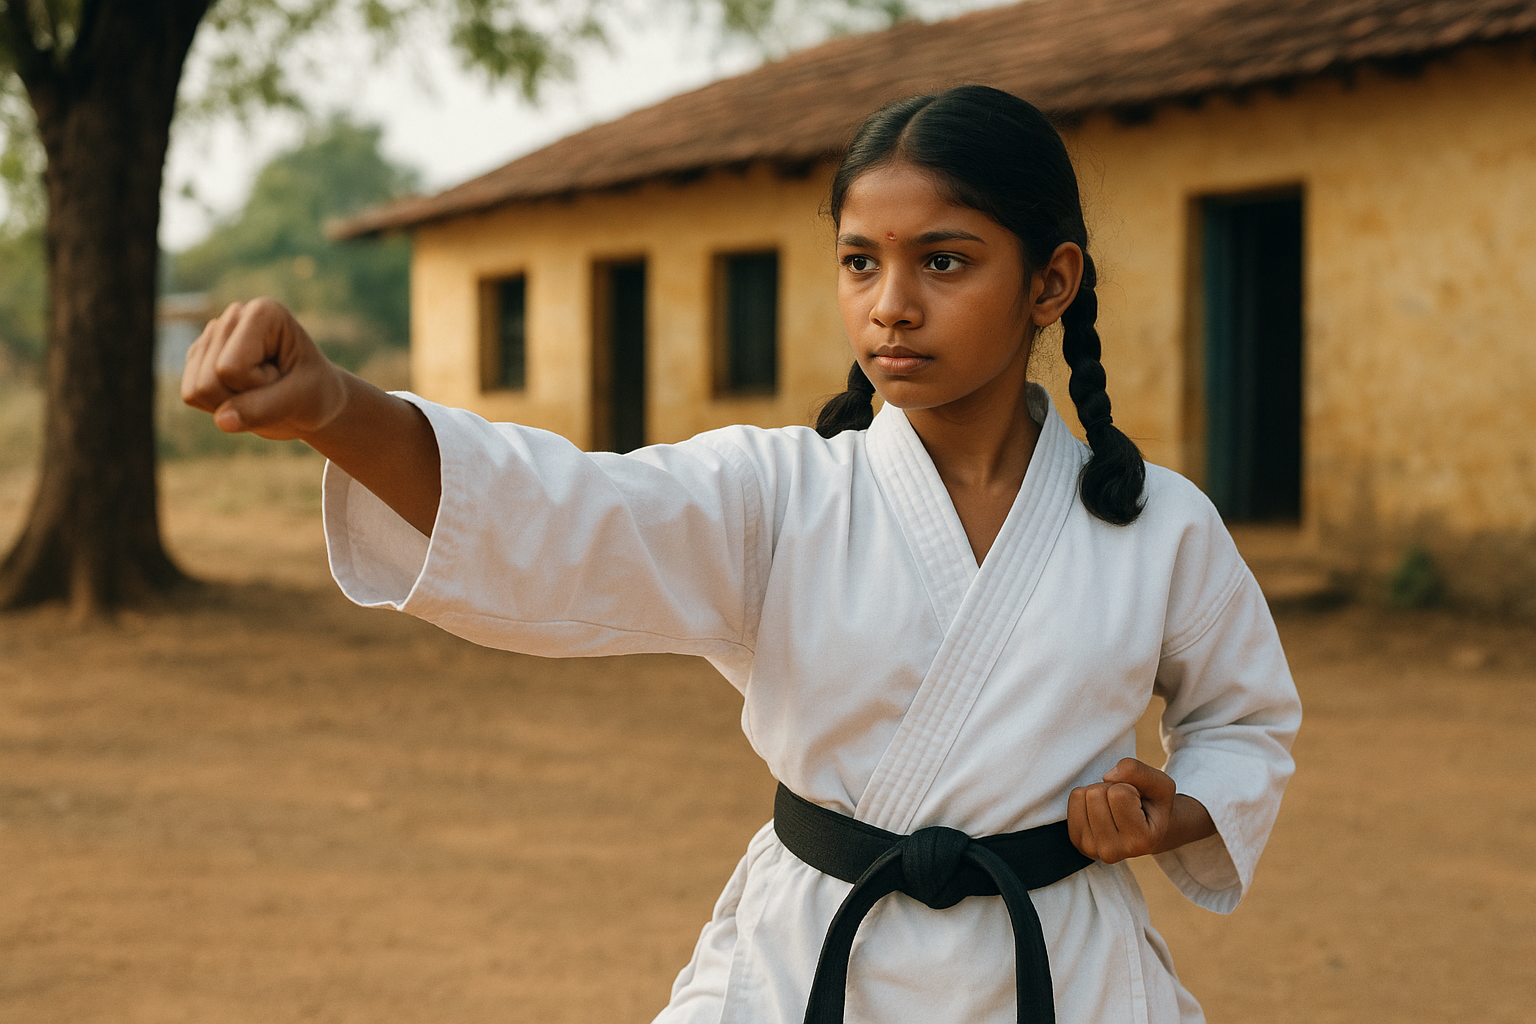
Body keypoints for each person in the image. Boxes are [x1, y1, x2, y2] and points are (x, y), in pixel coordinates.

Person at [182, 85, 1300, 1024]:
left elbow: (1244, 722)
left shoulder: (1156, 521)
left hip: (1064, 967)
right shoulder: (782, 494)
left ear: (1051, 283)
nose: (891, 307)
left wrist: (1177, 808)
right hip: (813, 963)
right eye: (861, 264)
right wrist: (339, 408)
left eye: (944, 263)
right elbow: (568, 515)